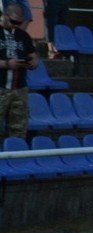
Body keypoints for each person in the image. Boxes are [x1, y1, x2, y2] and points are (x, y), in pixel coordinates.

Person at [0, 3, 37, 139]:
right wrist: (7, 64)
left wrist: (31, 63)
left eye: (19, 22)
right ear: (5, 16)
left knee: (19, 128)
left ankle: (16, 154)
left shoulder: (23, 35)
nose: (16, 25)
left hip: (19, 88)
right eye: (13, 21)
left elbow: (33, 57)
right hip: (1, 86)